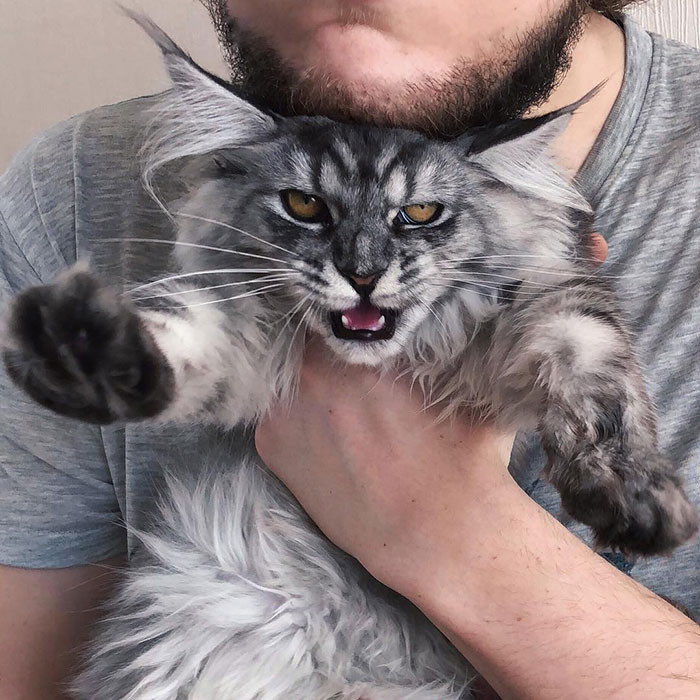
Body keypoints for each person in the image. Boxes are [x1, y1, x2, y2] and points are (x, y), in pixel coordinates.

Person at [1, 0, 699, 698]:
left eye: (420, 214)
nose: (363, 266)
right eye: (308, 208)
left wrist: (460, 530)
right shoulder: (69, 187)